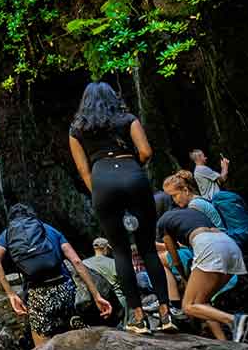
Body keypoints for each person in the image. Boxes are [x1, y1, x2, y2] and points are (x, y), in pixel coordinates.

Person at [68, 82, 178, 334]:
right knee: (148, 248)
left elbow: (84, 171)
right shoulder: (127, 119)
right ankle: (166, 314)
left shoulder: (77, 130)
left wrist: (100, 189)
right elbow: (146, 151)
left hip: (102, 182)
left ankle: (138, 319)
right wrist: (132, 169)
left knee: (119, 252)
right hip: (133, 176)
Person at [0, 202, 115, 349]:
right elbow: (76, 262)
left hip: (37, 293)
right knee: (70, 332)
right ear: (32, 216)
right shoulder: (48, 229)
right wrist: (96, 295)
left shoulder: (8, 233)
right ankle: (72, 324)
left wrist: (11, 294)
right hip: (64, 287)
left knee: (41, 344)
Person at [157, 172, 248, 342]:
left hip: (209, 247)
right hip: (230, 247)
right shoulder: (194, 211)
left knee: (189, 306)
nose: (175, 200)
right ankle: (223, 341)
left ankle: (234, 321)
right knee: (202, 301)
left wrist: (184, 274)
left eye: (174, 196)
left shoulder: (164, 221)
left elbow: (175, 258)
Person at [81, 238, 131, 321]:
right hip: (117, 303)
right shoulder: (114, 262)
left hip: (95, 302)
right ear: (105, 248)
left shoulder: (84, 263)